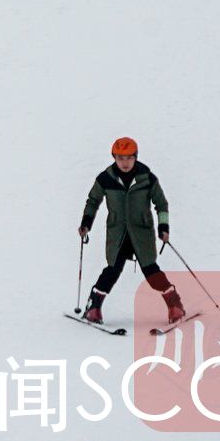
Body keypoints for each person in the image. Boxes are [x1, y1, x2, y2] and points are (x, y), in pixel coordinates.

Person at [78, 137, 187, 325]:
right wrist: (86, 223)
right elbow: (93, 201)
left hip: (141, 234)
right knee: (112, 270)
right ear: (114, 158)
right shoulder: (105, 179)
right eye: (120, 158)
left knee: (151, 272)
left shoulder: (147, 178)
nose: (125, 162)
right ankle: (93, 307)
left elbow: (161, 204)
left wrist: (164, 227)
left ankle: (175, 305)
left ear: (135, 157)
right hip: (117, 233)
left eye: (129, 158)